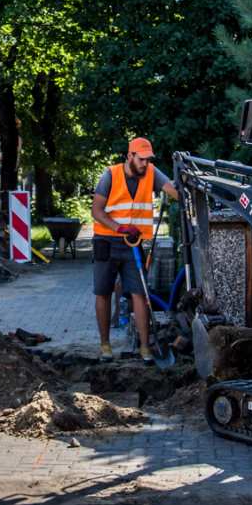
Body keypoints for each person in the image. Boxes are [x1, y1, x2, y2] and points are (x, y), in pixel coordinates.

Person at [91, 137, 179, 362]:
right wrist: (119, 227)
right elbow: (97, 211)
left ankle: (145, 348)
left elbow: (173, 190)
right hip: (106, 241)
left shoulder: (151, 172)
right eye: (141, 159)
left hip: (133, 242)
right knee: (103, 292)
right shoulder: (109, 175)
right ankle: (105, 345)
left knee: (139, 293)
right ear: (129, 156)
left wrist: (185, 191)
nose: (145, 164)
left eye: (148, 159)